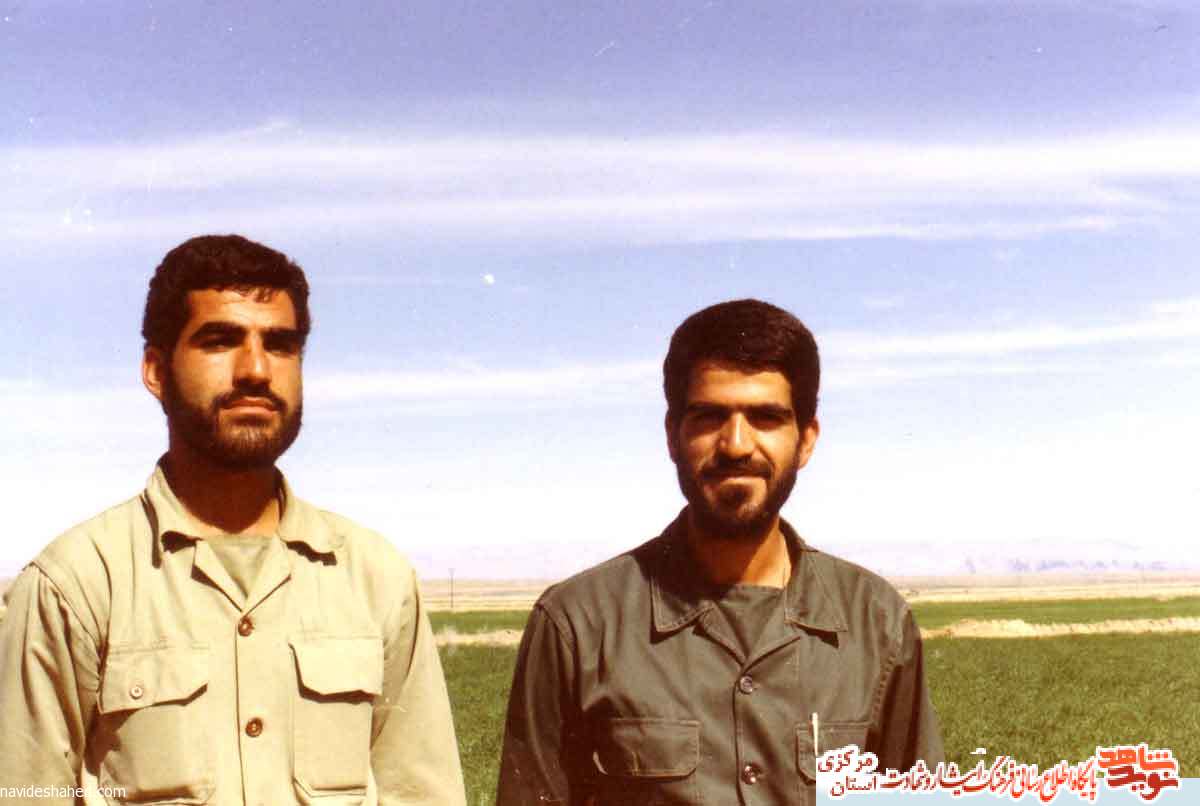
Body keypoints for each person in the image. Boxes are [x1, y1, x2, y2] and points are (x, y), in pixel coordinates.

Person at [0, 235, 466, 805]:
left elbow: (422, 793)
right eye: (220, 341)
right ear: (156, 370)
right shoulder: (74, 585)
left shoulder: (376, 578)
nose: (256, 370)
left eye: (280, 345)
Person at [496, 299, 943, 805]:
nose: (736, 445)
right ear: (673, 435)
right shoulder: (577, 626)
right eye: (710, 416)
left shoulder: (877, 625)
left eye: (766, 417)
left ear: (806, 440)